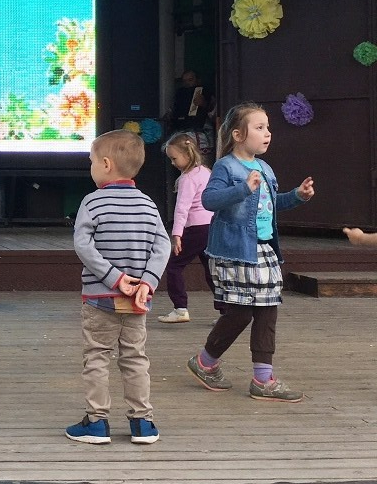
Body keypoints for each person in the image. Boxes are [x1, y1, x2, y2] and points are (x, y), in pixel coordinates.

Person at [187, 102, 315, 402]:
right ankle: (206, 362)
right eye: (259, 128)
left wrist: (297, 196)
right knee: (241, 312)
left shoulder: (265, 168)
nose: (267, 133)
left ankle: (261, 378)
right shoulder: (226, 166)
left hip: (264, 249)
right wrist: (243, 188)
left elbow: (272, 205)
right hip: (235, 250)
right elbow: (209, 200)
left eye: (268, 127)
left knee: (267, 309)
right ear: (237, 135)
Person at [64, 130, 171, 445]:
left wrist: (113, 278)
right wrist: (148, 282)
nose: (91, 167)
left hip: (100, 297)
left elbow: (83, 246)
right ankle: (143, 423)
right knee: (135, 357)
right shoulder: (148, 204)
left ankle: (97, 422)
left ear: (106, 164)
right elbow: (162, 246)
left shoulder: (92, 202)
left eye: (92, 161)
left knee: (97, 356)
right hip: (137, 299)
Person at [157, 132, 218, 324]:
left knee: (174, 266)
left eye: (174, 158)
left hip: (195, 228)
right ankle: (226, 311)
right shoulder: (206, 172)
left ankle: (180, 308)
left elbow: (182, 208)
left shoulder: (187, 178)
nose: (172, 163)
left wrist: (177, 234)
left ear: (186, 154)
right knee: (211, 270)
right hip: (210, 226)